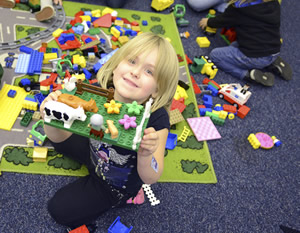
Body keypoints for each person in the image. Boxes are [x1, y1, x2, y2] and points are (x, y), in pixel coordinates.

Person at [40, 32, 179, 229]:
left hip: (114, 185)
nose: (135, 72)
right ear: (116, 66)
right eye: (132, 61)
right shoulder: (101, 92)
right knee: (58, 136)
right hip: (94, 151)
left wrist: (146, 154)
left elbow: (152, 176)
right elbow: (56, 135)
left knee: (58, 209)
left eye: (149, 72)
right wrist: (50, 115)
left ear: (157, 89)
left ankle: (127, 198)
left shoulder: (156, 119)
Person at [199, 0, 292, 87]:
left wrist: (208, 22)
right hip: (273, 49)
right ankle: (272, 62)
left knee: (215, 55)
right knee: (234, 45)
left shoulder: (239, 9)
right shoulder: (274, 3)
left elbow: (221, 21)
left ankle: (247, 75)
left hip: (255, 57)